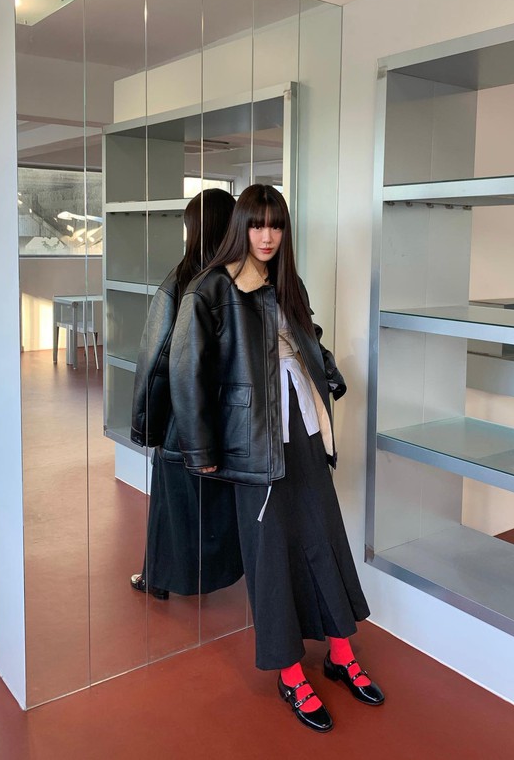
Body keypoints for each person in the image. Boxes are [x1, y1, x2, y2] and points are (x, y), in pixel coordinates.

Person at [169, 184, 384, 733]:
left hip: (303, 424)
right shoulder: (211, 289)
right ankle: (290, 671)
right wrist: (200, 449)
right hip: (252, 439)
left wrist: (328, 371)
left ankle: (340, 651)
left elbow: (305, 338)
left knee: (323, 534)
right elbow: (186, 373)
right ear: (241, 226)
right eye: (258, 224)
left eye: (277, 225)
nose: (267, 236)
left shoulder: (287, 282)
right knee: (270, 554)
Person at [129, 188, 243, 599]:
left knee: (171, 503)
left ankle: (157, 578)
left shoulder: (182, 282)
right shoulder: (243, 281)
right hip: (235, 417)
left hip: (186, 417)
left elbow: (157, 360)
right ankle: (224, 573)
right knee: (224, 505)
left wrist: (146, 425)